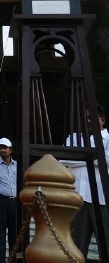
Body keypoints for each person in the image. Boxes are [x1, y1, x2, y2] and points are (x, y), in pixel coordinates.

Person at [64, 104, 109, 259]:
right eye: (86, 118)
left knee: (106, 246)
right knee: (75, 248)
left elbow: (107, 160)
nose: (88, 121)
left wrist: (80, 157)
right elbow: (64, 159)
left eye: (92, 118)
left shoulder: (108, 139)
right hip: (78, 198)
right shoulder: (74, 138)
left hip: (102, 199)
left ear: (102, 120)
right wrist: (93, 157)